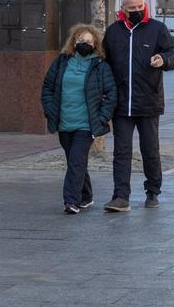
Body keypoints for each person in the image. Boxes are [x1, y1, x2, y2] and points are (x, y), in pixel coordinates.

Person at [101, 0, 174, 213]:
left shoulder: (157, 29)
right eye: (131, 8)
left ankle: (153, 191)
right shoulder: (113, 32)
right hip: (121, 104)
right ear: (123, 9)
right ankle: (120, 197)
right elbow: (105, 63)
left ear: (144, 5)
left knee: (150, 151)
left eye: (139, 7)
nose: (136, 11)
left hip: (148, 102)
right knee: (121, 152)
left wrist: (162, 59)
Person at [41, 24, 117, 214]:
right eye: (81, 40)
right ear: (73, 42)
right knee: (75, 161)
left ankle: (71, 201)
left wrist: (102, 117)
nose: (85, 44)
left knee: (76, 161)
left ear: (95, 44)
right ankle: (87, 195)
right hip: (64, 122)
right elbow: (48, 88)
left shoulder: (100, 66)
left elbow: (111, 94)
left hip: (86, 123)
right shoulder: (61, 62)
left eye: (89, 41)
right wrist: (50, 110)